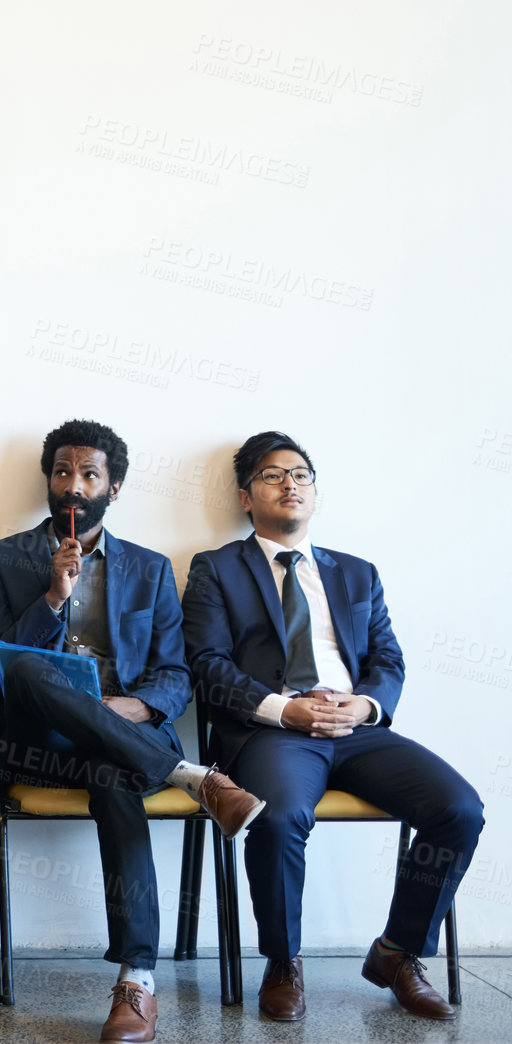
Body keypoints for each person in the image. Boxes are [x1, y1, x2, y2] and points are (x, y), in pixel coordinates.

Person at [0, 419, 262, 1043]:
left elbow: (175, 675)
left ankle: (137, 979)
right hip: (34, 746)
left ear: (115, 486)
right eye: (61, 473)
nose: (72, 486)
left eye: (88, 475)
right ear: (48, 481)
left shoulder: (151, 570)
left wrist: (129, 708)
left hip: (120, 744)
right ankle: (194, 778)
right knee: (27, 674)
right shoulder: (1, 560)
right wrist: (53, 594)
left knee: (113, 777)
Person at [183, 431, 484, 1022]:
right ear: (246, 497)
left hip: (357, 729)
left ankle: (397, 953)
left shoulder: (356, 573)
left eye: (300, 474)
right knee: (279, 814)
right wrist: (281, 708)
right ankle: (282, 960)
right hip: (272, 731)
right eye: (272, 475)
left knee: (460, 808)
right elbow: (207, 666)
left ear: (315, 492)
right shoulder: (216, 568)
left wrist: (366, 705)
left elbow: (388, 660)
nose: (289, 484)